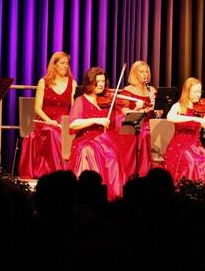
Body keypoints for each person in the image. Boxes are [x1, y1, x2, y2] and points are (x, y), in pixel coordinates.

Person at [68, 67, 125, 201]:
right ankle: (89, 194)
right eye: (97, 81)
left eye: (103, 81)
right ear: (90, 82)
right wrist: (95, 120)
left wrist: (136, 107)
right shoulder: (81, 100)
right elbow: (73, 124)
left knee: (112, 153)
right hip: (86, 139)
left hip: (105, 139)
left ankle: (112, 195)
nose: (101, 84)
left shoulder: (106, 100)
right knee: (88, 150)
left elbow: (119, 118)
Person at [18, 51, 76, 179]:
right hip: (45, 122)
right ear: (54, 65)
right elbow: (37, 108)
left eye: (67, 63)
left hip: (63, 122)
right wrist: (49, 121)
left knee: (58, 132)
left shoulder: (72, 83)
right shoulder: (43, 82)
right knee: (50, 131)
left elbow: (74, 108)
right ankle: (57, 172)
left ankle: (62, 173)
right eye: (62, 63)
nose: (65, 66)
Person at [115, 60, 158, 178]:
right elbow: (124, 112)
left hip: (151, 123)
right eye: (141, 72)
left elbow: (161, 110)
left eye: (146, 72)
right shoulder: (128, 91)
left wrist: (157, 109)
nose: (145, 74)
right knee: (145, 134)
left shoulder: (152, 90)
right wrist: (139, 109)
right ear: (134, 74)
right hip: (135, 125)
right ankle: (143, 172)